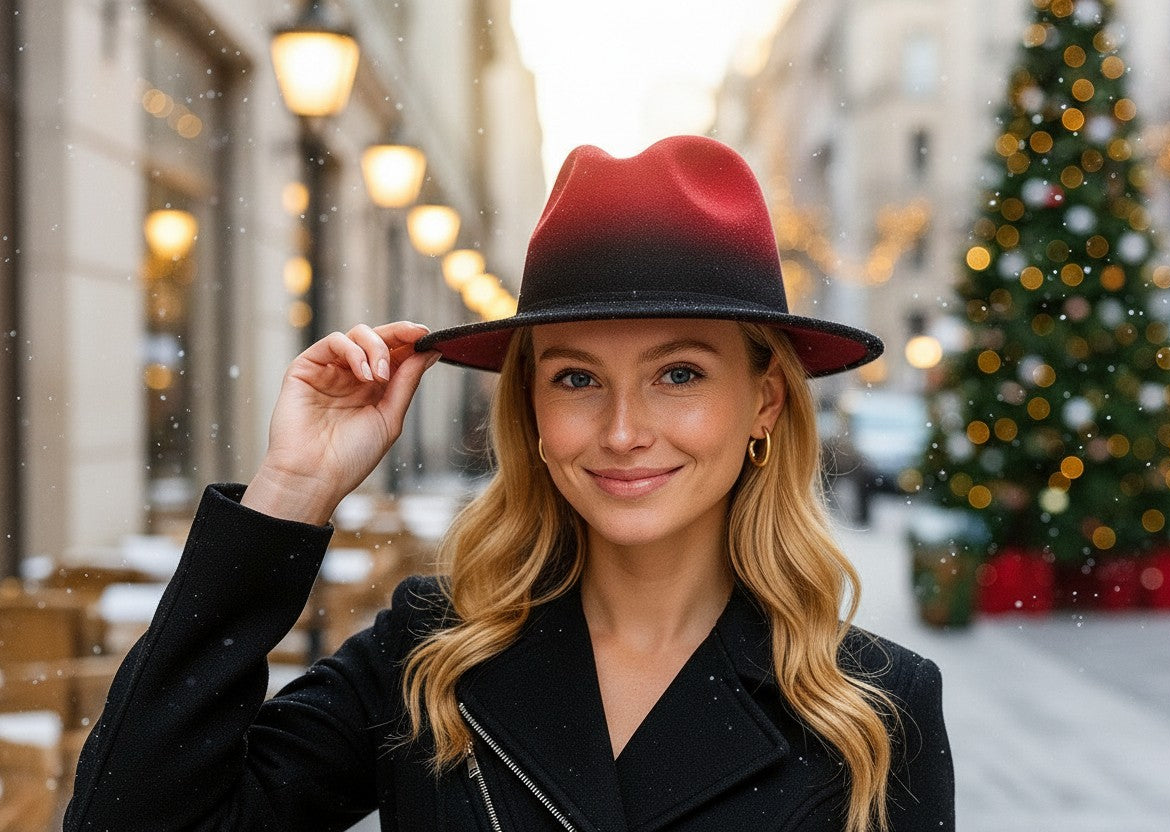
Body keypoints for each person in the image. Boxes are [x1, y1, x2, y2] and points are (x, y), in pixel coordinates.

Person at [65, 136, 953, 831]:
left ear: (763, 400)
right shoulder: (430, 658)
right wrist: (290, 494)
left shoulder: (873, 709)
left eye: (678, 374)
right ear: (529, 407)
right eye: (575, 378)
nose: (621, 431)